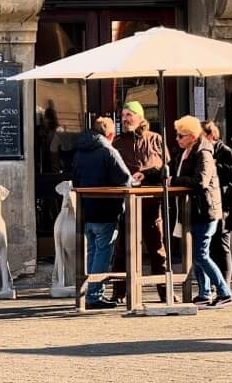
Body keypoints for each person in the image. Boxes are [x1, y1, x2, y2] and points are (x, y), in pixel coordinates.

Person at [171, 115, 232, 307]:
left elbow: (201, 182)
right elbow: (170, 169)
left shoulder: (203, 153)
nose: (177, 139)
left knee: (201, 254)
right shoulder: (185, 152)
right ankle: (204, 292)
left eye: (181, 136)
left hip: (205, 211)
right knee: (195, 253)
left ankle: (224, 293)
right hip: (193, 211)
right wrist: (150, 174)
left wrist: (174, 180)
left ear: (191, 136)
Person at [71, 116, 134, 309]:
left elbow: (75, 179)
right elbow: (125, 179)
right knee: (103, 252)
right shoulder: (108, 151)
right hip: (106, 210)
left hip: (86, 210)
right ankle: (94, 295)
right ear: (110, 134)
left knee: (92, 251)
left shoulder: (80, 151)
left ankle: (88, 292)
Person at [111, 100, 169, 302]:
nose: (125, 119)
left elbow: (166, 168)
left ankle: (165, 291)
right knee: (121, 251)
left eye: (129, 115)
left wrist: (147, 173)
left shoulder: (156, 139)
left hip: (151, 203)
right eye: (123, 115)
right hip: (127, 204)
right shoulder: (117, 143)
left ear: (140, 117)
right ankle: (118, 293)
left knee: (157, 250)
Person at [201, 120, 232, 286]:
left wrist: (217, 166)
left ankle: (225, 285)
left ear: (210, 135)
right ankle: (216, 284)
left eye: (201, 136)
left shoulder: (224, 150)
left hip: (224, 204)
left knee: (221, 246)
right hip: (209, 203)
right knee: (211, 247)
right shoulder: (201, 152)